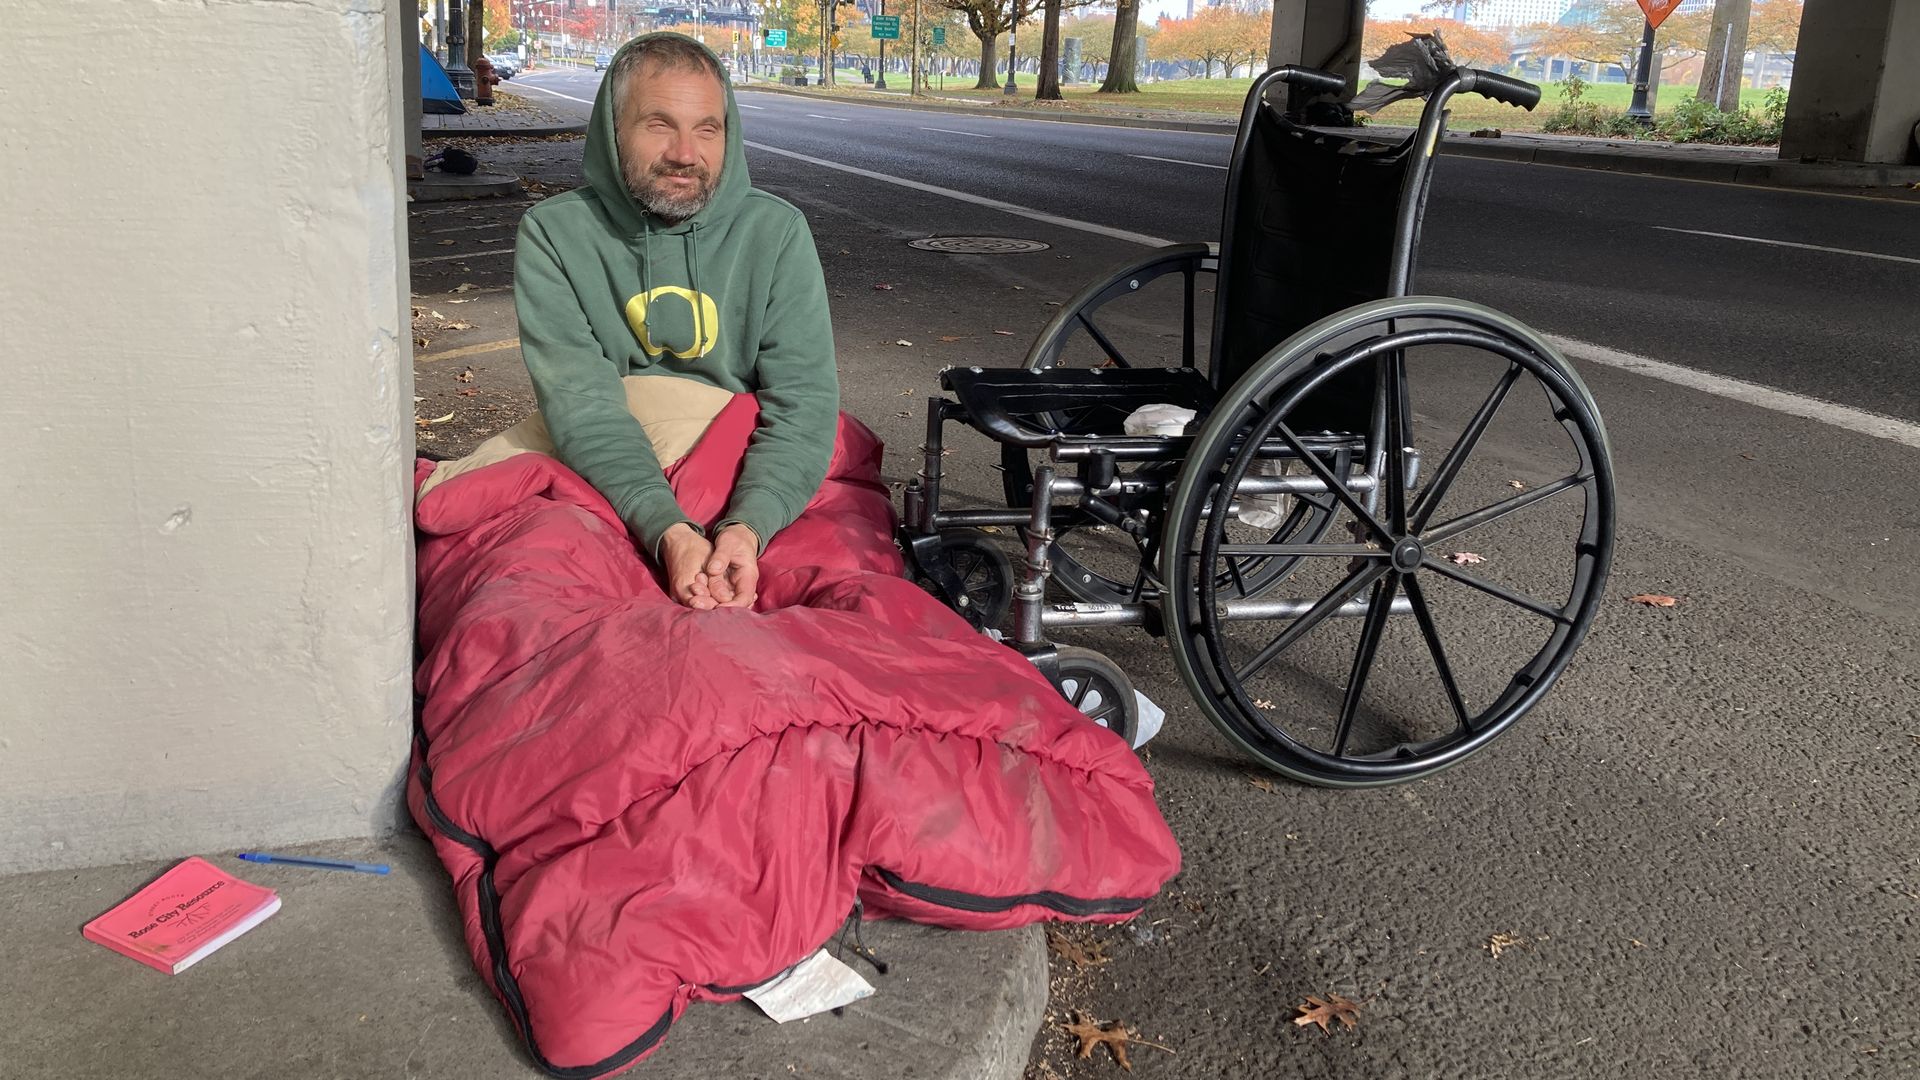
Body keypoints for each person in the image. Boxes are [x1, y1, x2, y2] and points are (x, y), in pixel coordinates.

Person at [513, 32, 837, 612]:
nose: (686, 153)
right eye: (659, 124)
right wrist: (668, 529)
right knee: (530, 598)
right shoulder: (554, 234)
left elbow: (803, 403)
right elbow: (582, 405)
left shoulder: (776, 232)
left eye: (707, 128)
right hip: (610, 475)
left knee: (840, 599)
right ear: (613, 132)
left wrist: (748, 528)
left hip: (748, 473)